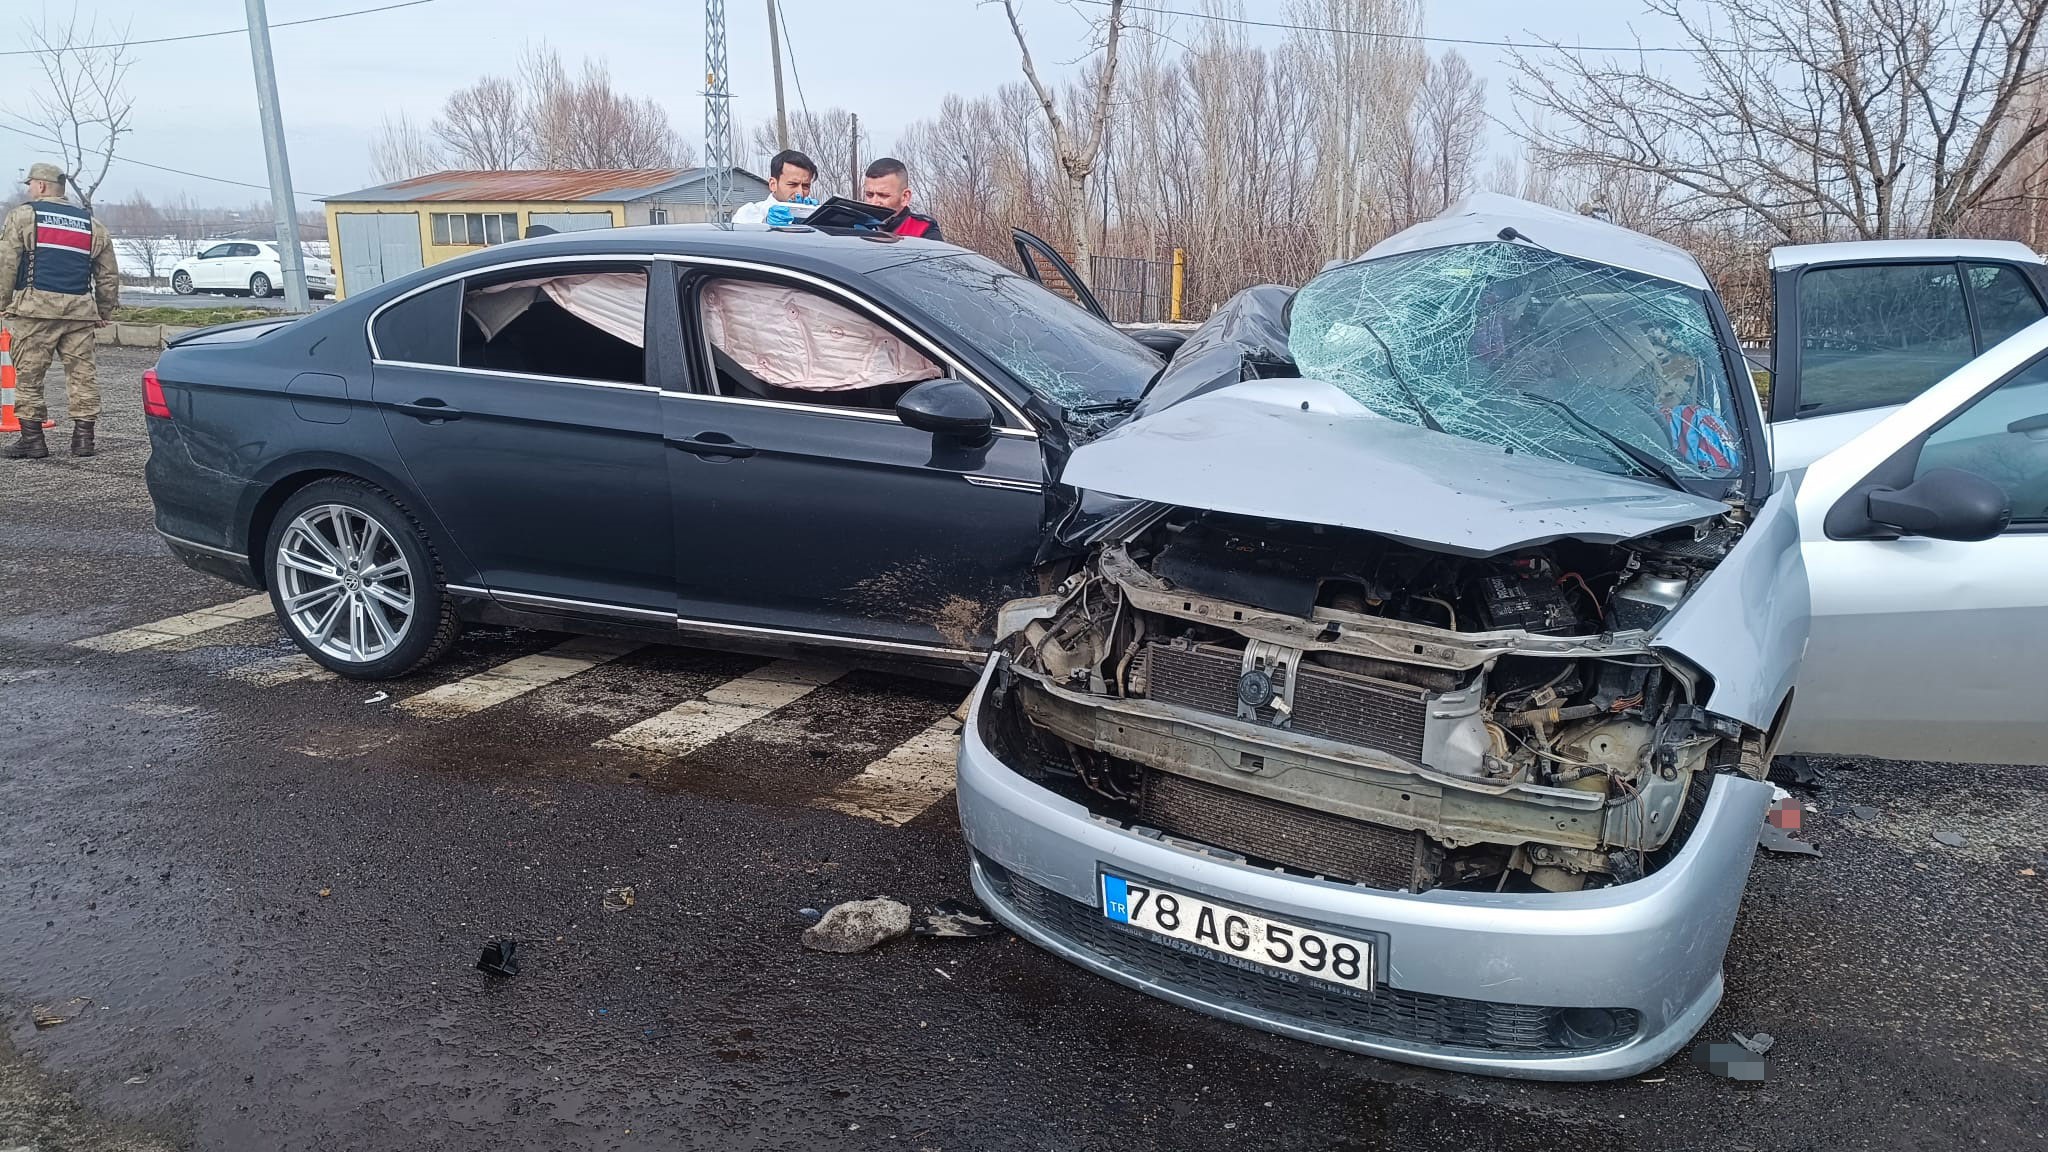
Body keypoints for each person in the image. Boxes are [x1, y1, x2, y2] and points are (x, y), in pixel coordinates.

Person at [0, 162, 119, 459]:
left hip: (35, 310)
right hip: (79, 311)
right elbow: (107, 274)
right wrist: (104, 310)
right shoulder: (92, 224)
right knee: (82, 376)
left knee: (29, 376)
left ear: (40, 185)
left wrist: (1, 303)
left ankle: (33, 440)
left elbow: (6, 264)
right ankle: (83, 441)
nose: (28, 189)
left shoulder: (24, 216)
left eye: (30, 184)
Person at [861, 157, 943, 240]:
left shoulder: (924, 229)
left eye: (883, 195)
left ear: (905, 197)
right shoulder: (857, 228)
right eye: (869, 195)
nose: (874, 202)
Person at [731, 150, 818, 225]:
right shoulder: (749, 213)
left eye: (806, 186)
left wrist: (815, 220)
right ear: (773, 185)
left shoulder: (815, 215)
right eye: (793, 184)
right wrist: (765, 224)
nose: (800, 192)